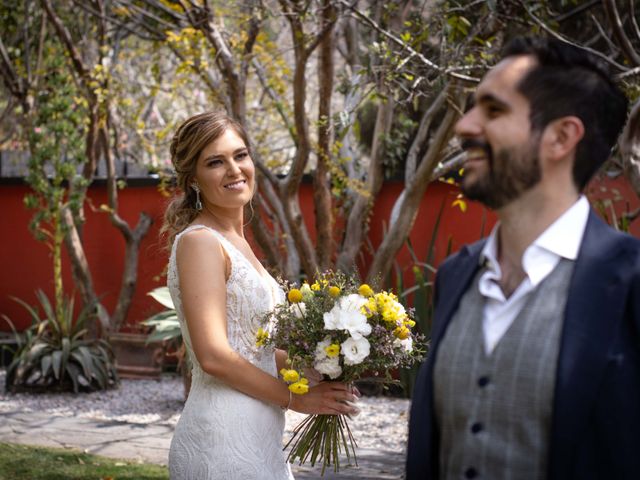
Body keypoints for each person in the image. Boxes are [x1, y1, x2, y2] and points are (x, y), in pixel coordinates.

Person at [406, 36, 640, 480]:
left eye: (493, 110)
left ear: (560, 137)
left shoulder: (630, 279)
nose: (464, 126)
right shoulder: (456, 275)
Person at [164, 111, 358, 480]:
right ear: (193, 179)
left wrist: (323, 372)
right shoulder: (201, 242)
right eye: (215, 162)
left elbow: (257, 350)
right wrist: (296, 399)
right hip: (222, 438)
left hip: (259, 434)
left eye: (240, 155)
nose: (235, 170)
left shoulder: (234, 242)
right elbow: (214, 355)